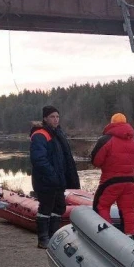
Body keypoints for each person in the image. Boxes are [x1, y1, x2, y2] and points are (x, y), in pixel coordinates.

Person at [29, 105, 80, 248]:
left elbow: (65, 157)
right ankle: (43, 239)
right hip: (45, 180)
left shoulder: (58, 133)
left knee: (58, 208)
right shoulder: (40, 134)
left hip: (58, 179)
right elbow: (39, 159)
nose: (56, 119)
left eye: (57, 116)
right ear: (45, 118)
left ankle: (54, 236)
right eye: (52, 117)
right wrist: (52, 174)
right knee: (45, 208)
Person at [90, 113, 134, 237]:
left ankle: (107, 236)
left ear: (112, 123)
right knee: (128, 210)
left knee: (101, 206)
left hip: (110, 181)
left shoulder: (106, 139)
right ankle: (130, 237)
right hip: (130, 181)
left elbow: (96, 160)